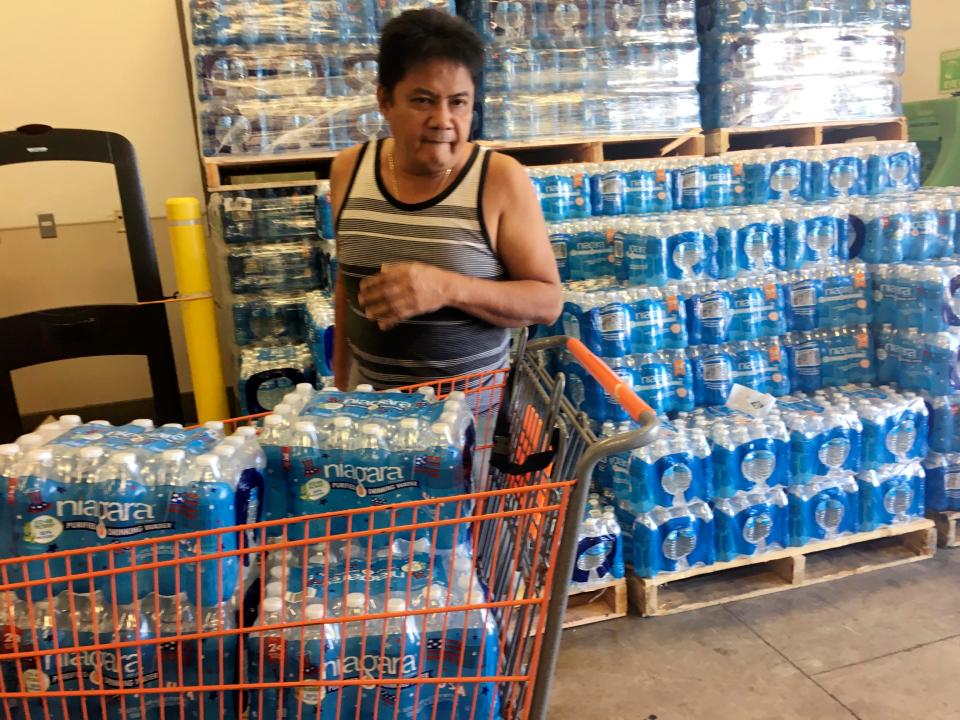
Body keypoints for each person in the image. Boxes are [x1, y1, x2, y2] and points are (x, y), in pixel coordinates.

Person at [329, 8, 562, 392]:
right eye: (423, 101)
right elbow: (348, 285)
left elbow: (547, 302)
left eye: (458, 102)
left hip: (472, 432)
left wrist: (448, 287)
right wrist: (340, 387)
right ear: (385, 100)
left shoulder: (499, 179)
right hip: (372, 427)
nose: (443, 120)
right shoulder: (349, 171)